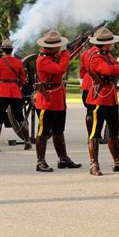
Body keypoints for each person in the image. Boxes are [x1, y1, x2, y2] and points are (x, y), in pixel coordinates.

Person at [86, 27, 119, 176]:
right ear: (106, 43)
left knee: (114, 131)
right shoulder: (96, 57)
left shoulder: (107, 55)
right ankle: (94, 164)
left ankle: (118, 162)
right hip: (99, 99)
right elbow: (109, 70)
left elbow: (115, 66)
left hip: (110, 98)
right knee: (95, 133)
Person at [34, 30, 82, 172]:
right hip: (47, 100)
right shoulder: (43, 60)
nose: (61, 48)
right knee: (43, 132)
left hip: (58, 99)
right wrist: (66, 53)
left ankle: (63, 158)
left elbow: (66, 59)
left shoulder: (55, 56)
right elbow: (61, 69)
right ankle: (40, 161)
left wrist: (79, 45)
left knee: (58, 131)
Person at [0, 39, 31, 152]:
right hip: (14, 92)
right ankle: (27, 141)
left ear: (2, 50)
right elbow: (23, 79)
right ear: (11, 50)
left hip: (1, 92)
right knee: (20, 117)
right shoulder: (18, 62)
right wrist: (16, 86)